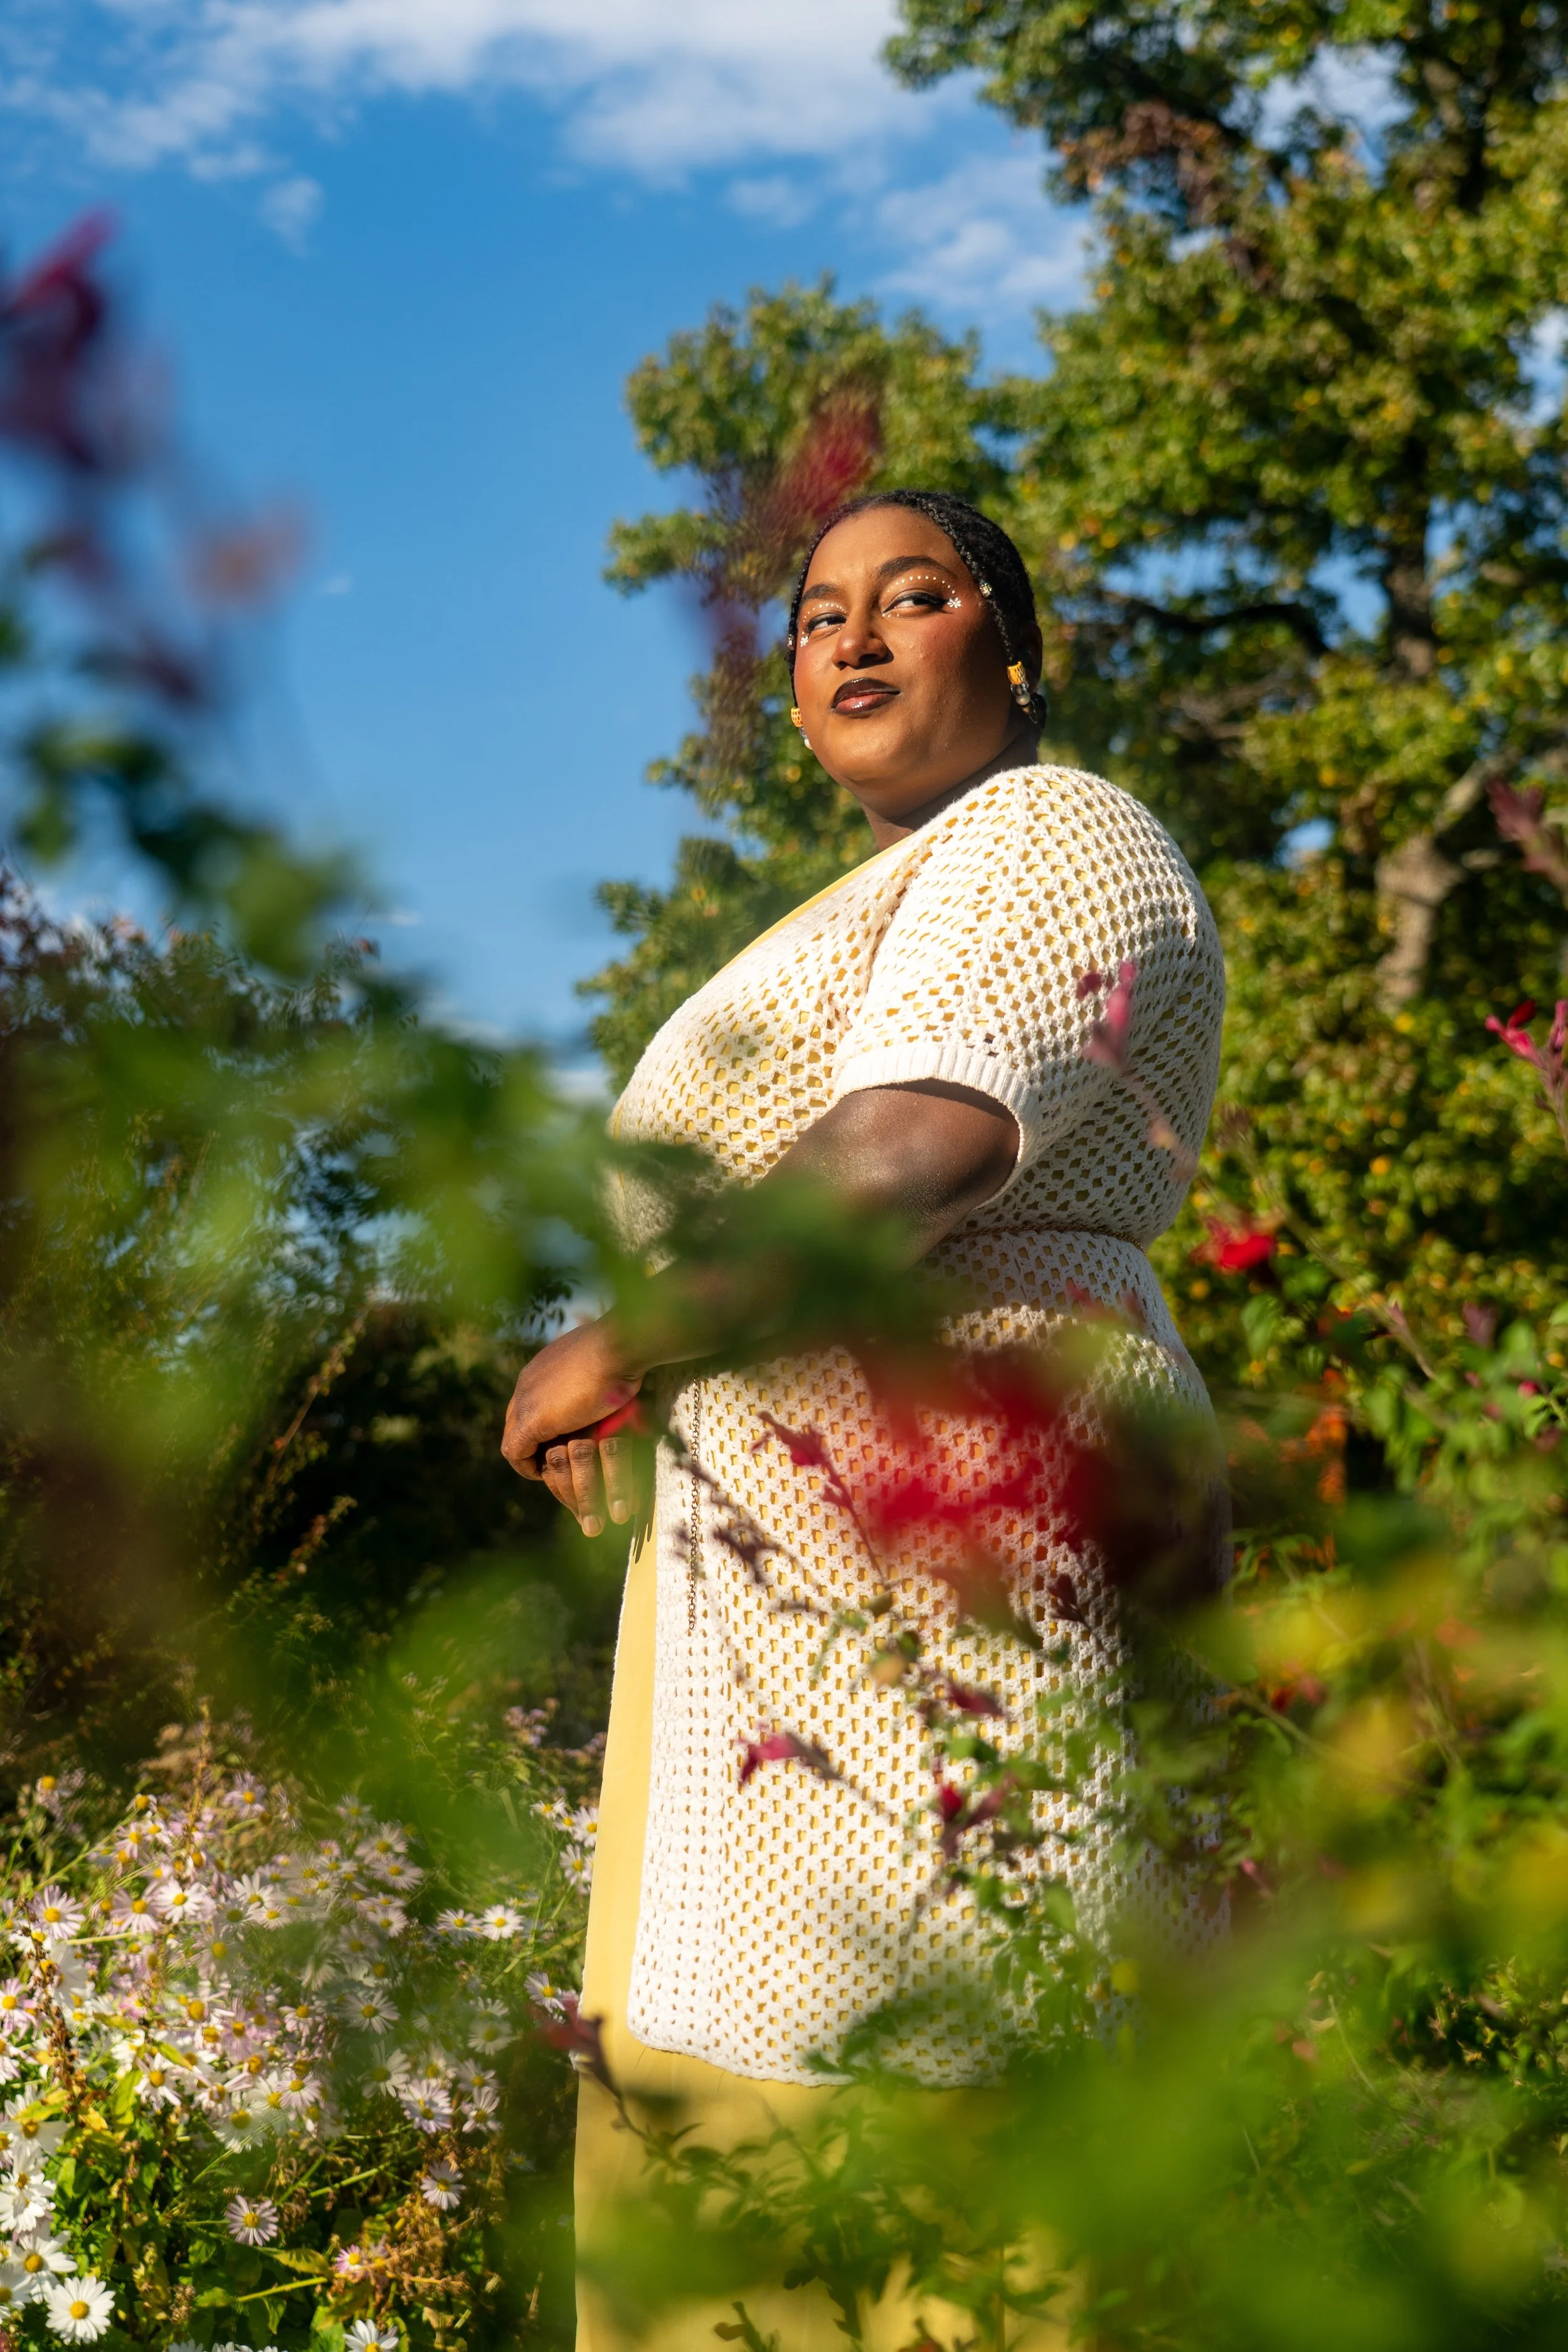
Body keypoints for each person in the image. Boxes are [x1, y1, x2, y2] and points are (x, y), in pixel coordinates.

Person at [502, 489, 1227, 2349]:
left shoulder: (1056, 830)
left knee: (940, 2206)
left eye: (913, 595)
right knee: (723, 2201)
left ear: (1013, 644)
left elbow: (914, 1143)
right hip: (766, 1647)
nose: (850, 636)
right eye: (816, 612)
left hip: (936, 1606)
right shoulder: (881, 897)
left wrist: (617, 1342)